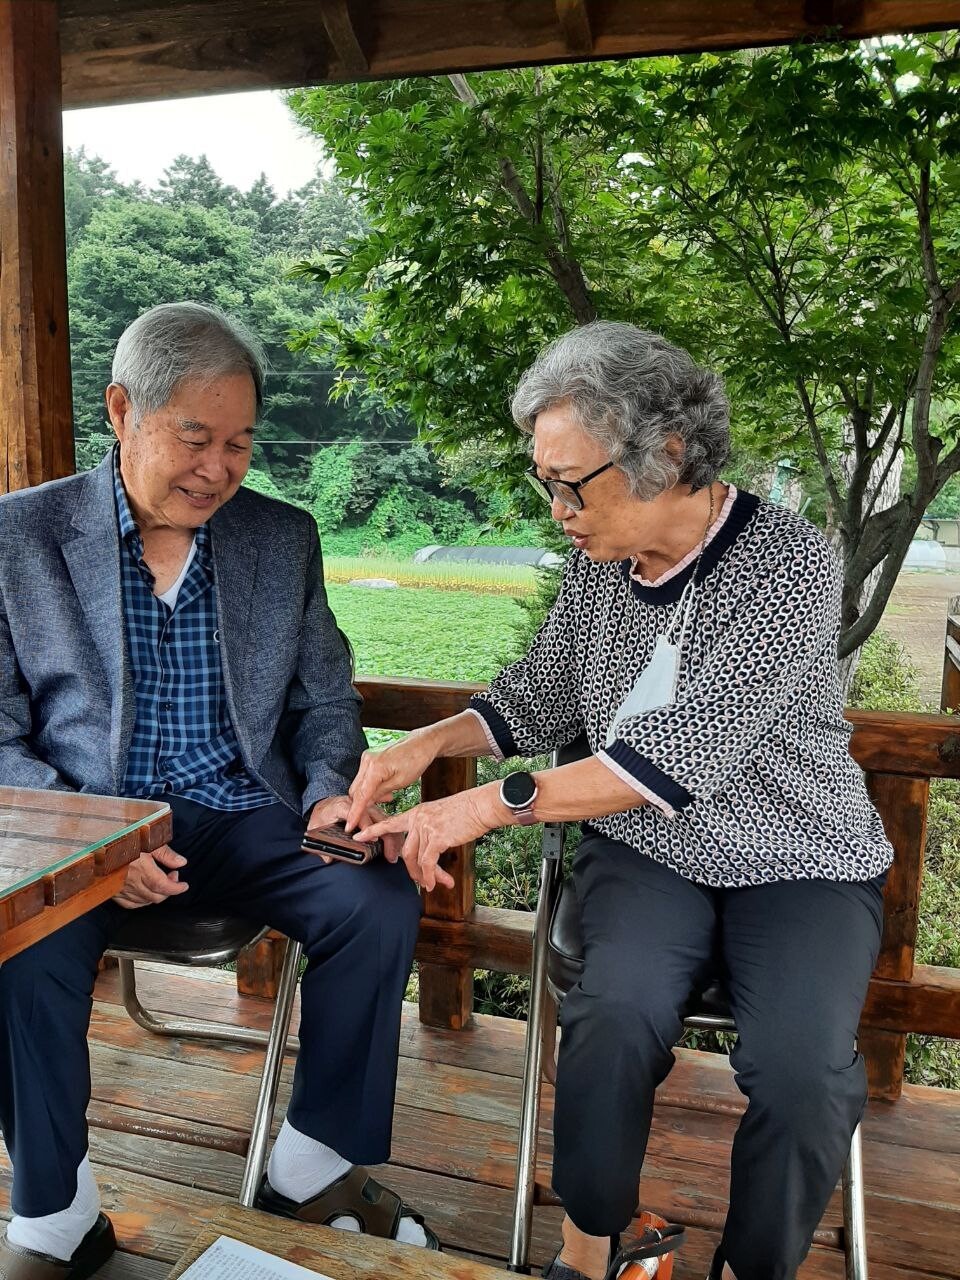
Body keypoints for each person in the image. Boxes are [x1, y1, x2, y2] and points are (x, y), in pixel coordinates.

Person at [347, 322, 893, 1280]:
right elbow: (541, 693)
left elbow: (678, 752)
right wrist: (426, 747)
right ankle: (589, 1246)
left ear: (669, 452)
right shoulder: (599, 569)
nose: (557, 507)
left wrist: (480, 806)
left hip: (801, 855)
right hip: (649, 851)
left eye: (572, 482)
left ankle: (752, 1268)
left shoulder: (790, 566)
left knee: (805, 1072)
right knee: (613, 1013)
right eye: (544, 483)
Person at [0, 302, 436, 1279]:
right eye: (194, 437)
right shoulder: (18, 537)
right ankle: (55, 1212)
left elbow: (327, 694)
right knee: (19, 947)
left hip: (251, 817)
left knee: (375, 895)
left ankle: (308, 1162)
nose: (219, 466)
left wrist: (332, 787)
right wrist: (101, 842)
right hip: (86, 825)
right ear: (121, 411)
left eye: (238, 441)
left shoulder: (280, 536)